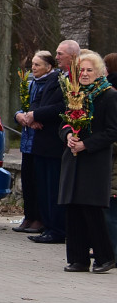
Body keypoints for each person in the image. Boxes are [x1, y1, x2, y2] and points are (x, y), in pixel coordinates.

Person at [58, 51, 117, 273]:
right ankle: (78, 259)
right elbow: (63, 123)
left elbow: (113, 131)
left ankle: (104, 257)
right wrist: (68, 136)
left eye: (89, 70)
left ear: (99, 72)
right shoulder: (74, 94)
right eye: (81, 70)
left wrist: (87, 144)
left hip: (94, 161)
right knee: (72, 208)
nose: (84, 74)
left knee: (91, 210)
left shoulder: (109, 95)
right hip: (73, 159)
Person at [14, 51, 63, 238]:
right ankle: (29, 215)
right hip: (28, 139)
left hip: (42, 139)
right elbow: (27, 106)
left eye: (37, 65)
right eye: (32, 64)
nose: (33, 68)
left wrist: (34, 116)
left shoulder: (54, 82)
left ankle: (40, 218)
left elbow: (44, 108)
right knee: (28, 180)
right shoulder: (30, 83)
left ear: (48, 67)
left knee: (40, 182)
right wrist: (21, 115)